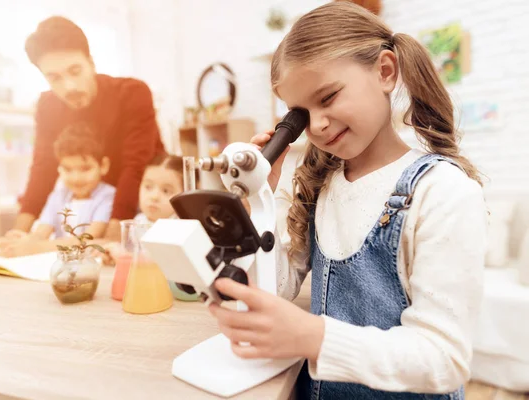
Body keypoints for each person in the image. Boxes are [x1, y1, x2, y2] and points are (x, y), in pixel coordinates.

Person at [207, 2, 487, 399]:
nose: (317, 124)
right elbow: (273, 291)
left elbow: (443, 360)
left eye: (329, 97)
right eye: (301, 113)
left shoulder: (443, 191)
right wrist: (260, 199)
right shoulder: (321, 186)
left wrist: (314, 337)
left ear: (385, 72)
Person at [0, 16, 166, 255]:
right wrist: (15, 237)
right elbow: (43, 167)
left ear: (91, 63)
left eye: (75, 71)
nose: (69, 86)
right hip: (92, 211)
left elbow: (134, 167)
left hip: (142, 207)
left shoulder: (132, 93)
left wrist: (113, 242)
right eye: (55, 78)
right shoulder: (47, 106)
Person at [0, 122, 116, 258]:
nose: (76, 178)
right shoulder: (57, 197)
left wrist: (34, 248)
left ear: (104, 166)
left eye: (85, 169)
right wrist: (22, 241)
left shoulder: (108, 196)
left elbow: (87, 239)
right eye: (68, 169)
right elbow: (41, 233)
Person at [98, 154, 184, 265]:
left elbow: (163, 264)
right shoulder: (139, 220)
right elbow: (132, 255)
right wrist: (112, 257)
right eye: (148, 187)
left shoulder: (179, 227)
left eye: (166, 191)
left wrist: (123, 256)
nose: (154, 196)